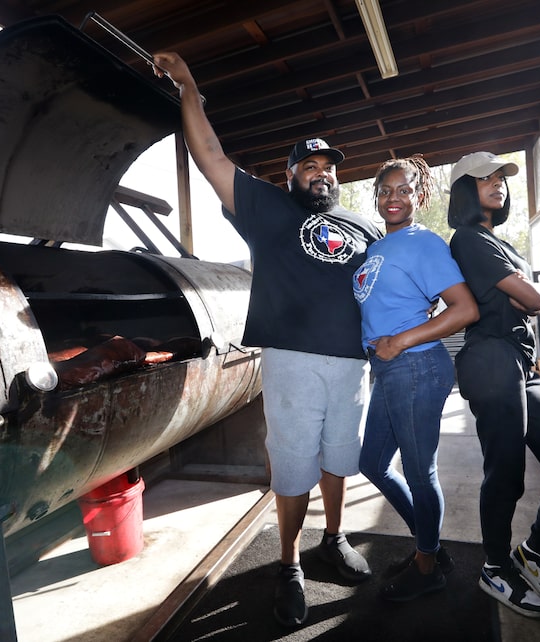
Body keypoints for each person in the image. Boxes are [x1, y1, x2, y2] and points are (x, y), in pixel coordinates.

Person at [151, 52, 383, 628]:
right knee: (292, 463)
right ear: (290, 175)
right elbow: (209, 156)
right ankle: (289, 565)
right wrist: (190, 85)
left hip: (353, 364)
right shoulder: (267, 209)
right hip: (293, 359)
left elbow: (387, 283)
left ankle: (333, 538)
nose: (320, 173)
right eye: (309, 166)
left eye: (328, 167)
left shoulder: (365, 225)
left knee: (338, 458)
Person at [447, 151, 540, 619]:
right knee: (506, 472)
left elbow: (528, 301)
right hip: (491, 358)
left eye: (502, 179)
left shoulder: (499, 242)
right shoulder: (468, 239)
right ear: (465, 190)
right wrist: (522, 291)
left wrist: (521, 293)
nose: (498, 184)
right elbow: (533, 297)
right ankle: (494, 564)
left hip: (522, 364)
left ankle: (533, 552)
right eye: (485, 179)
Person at [353, 156, 479, 601]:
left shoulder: (423, 243)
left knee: (420, 473)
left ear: (419, 195)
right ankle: (431, 546)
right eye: (386, 190)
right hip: (388, 368)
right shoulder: (378, 248)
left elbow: (465, 309)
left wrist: (402, 339)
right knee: (371, 463)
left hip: (415, 366)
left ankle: (427, 567)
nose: (393, 197)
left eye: (404, 189)